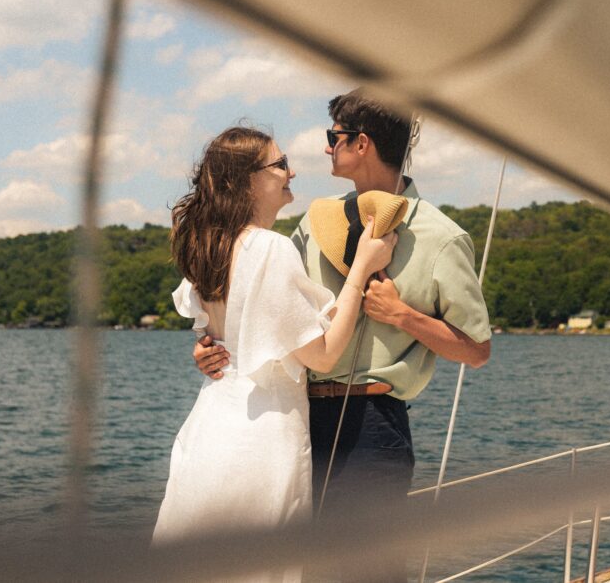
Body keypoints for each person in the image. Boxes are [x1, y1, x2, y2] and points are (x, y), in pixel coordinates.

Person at [193, 91, 492, 581]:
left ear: (362, 144)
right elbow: (262, 300)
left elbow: (477, 350)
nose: (326, 148)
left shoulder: (442, 237)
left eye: (334, 137)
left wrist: (403, 316)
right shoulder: (315, 221)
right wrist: (213, 344)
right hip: (295, 420)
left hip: (372, 424)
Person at [153, 126, 398, 583]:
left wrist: (205, 349)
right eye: (280, 164)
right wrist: (362, 267)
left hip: (210, 429)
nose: (292, 171)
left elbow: (215, 336)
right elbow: (322, 355)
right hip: (261, 437)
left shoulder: (206, 246)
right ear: (246, 180)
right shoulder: (268, 248)